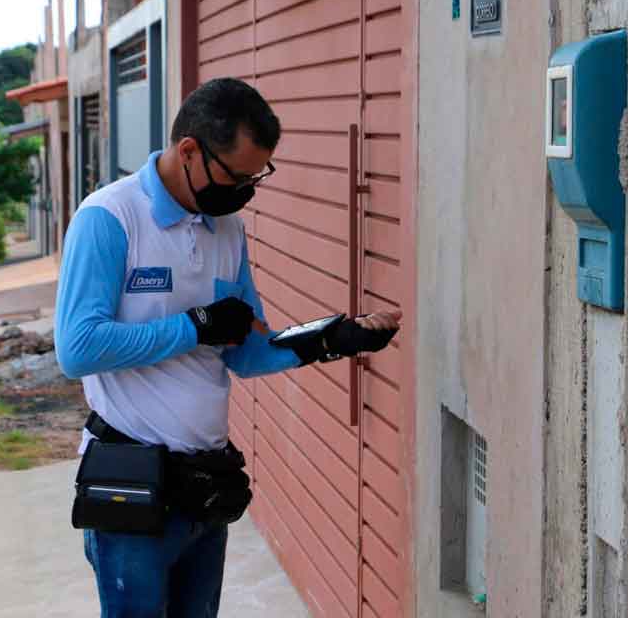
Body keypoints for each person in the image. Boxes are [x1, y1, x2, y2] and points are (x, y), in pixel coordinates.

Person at [54, 78, 401, 618]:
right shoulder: (109, 219)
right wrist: (193, 326)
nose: (245, 190)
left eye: (256, 176)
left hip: (205, 487)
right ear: (189, 149)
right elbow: (77, 348)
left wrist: (332, 338)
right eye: (236, 175)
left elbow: (245, 351)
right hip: (133, 489)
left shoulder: (227, 231)